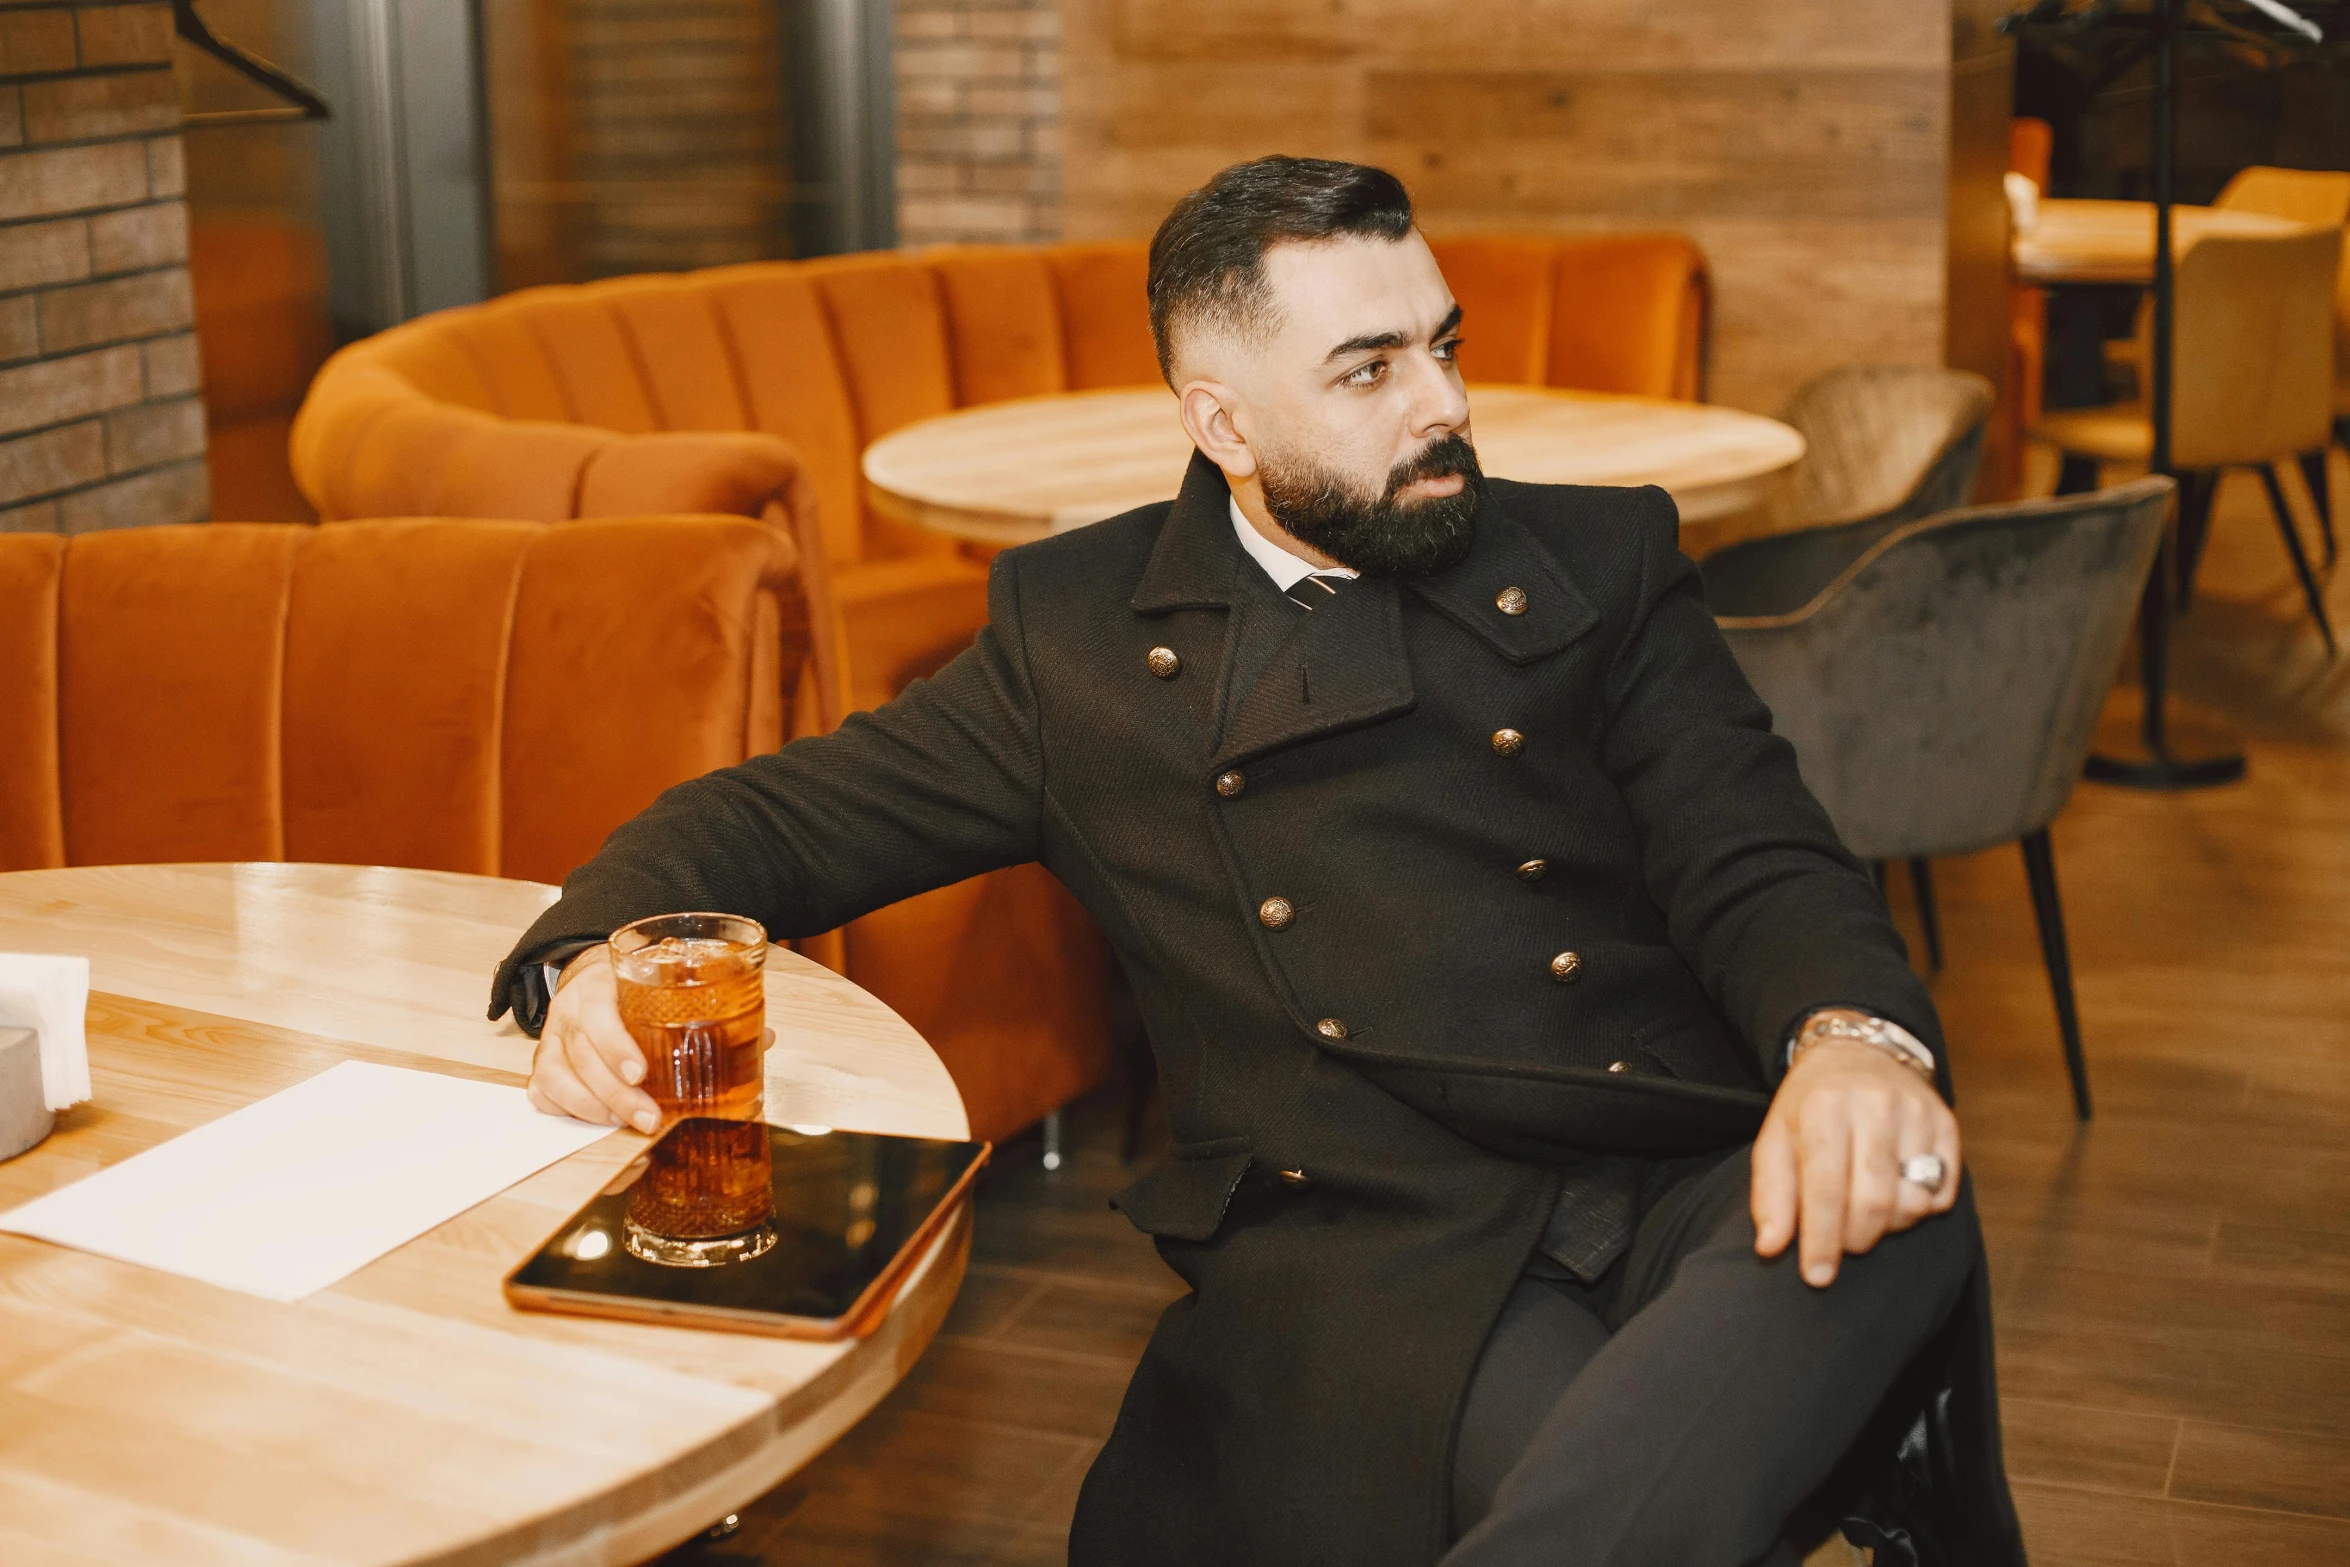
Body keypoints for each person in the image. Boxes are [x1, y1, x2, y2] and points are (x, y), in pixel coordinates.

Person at [495, 156, 2024, 1566]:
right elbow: (778, 818)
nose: (1441, 404)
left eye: (1444, 343)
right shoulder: (1080, 643)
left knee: (1904, 1173)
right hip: (1381, 1241)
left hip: (1669, 1154)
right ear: (1221, 422)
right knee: (1614, 1482)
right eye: (1368, 367)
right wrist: (584, 960)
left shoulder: (1598, 556)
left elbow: (1754, 850)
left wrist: (1850, 1039)